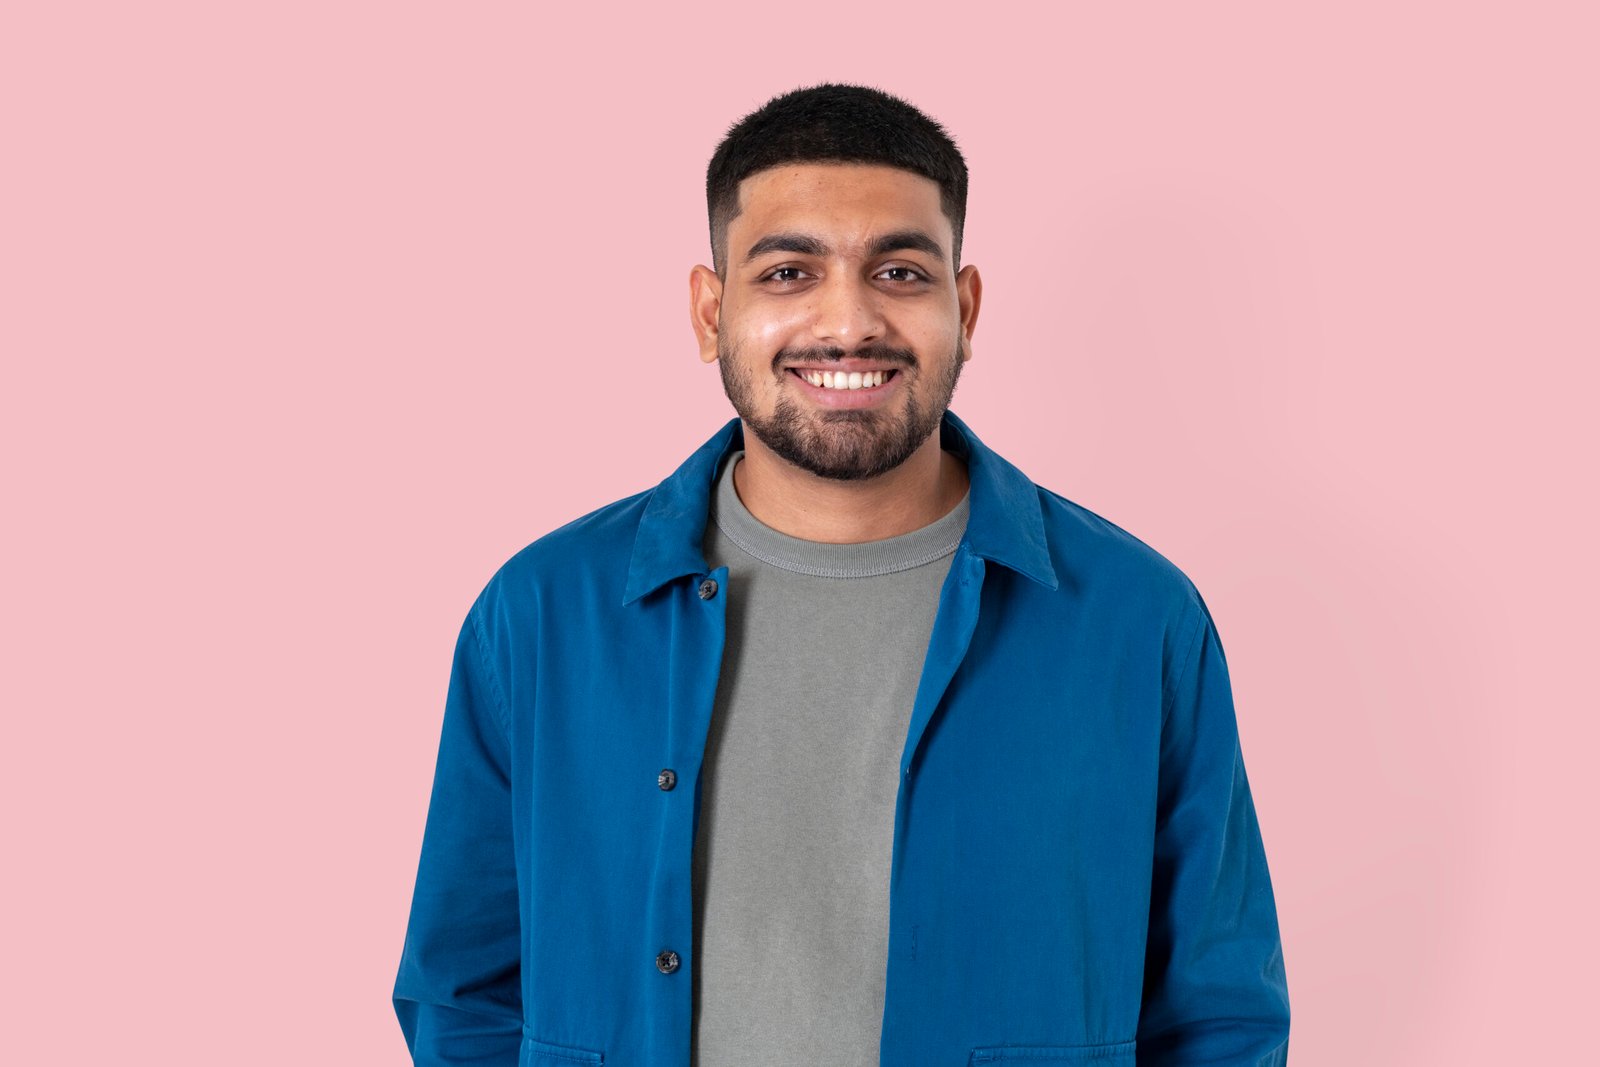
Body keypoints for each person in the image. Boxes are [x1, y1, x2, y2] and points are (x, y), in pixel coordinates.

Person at [392, 83, 1291, 1067]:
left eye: (900, 270)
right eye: (787, 272)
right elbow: (462, 992)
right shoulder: (542, 614)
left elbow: (1216, 1014)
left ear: (966, 306)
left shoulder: (1135, 618)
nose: (849, 321)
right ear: (709, 312)